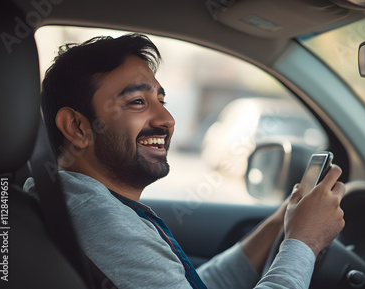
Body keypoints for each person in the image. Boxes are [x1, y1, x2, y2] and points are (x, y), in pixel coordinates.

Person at [24, 33, 345, 289]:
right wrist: (305, 241)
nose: (167, 119)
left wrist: (282, 220)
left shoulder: (75, 200)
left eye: (161, 100)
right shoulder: (100, 220)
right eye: (137, 101)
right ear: (78, 128)